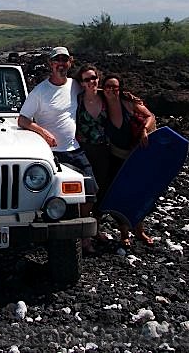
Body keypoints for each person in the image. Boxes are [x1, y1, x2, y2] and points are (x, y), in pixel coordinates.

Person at [18, 47, 97, 252]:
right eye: (56, 61)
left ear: (70, 62)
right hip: (52, 154)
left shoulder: (75, 86)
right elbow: (23, 119)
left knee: (91, 192)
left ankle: (80, 230)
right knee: (52, 198)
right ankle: (55, 238)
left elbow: (96, 92)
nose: (61, 64)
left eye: (64, 60)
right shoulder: (40, 91)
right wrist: (43, 132)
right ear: (50, 64)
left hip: (75, 149)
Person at [102, 73, 157, 247]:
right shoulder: (100, 104)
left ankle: (140, 230)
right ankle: (124, 233)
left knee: (139, 193)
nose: (112, 90)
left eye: (115, 87)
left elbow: (150, 116)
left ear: (120, 89)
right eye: (108, 86)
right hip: (115, 158)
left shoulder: (128, 103)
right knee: (120, 194)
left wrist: (144, 131)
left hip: (135, 158)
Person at [73, 64, 110, 243]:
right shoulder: (76, 100)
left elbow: (129, 106)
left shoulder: (106, 97)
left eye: (93, 78)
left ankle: (96, 227)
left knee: (102, 191)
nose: (91, 82)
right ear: (81, 83)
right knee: (88, 191)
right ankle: (84, 234)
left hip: (104, 150)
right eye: (87, 79)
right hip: (84, 150)